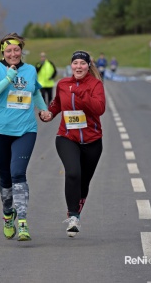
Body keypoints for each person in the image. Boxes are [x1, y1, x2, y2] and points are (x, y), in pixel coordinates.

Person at [0, 32, 51, 241]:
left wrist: (42, 110)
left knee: (18, 173)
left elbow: (36, 91)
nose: (13, 53)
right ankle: (7, 214)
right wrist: (9, 77)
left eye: (16, 49)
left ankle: (22, 221)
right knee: (5, 177)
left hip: (25, 130)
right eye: (9, 50)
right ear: (3, 51)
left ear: (22, 50)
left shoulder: (30, 70)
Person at [41, 50, 105, 237]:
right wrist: (49, 114)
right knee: (73, 173)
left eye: (82, 63)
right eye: (75, 63)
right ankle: (73, 217)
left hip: (92, 141)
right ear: (71, 66)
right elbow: (57, 104)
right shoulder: (62, 84)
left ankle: (75, 210)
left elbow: (99, 108)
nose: (78, 66)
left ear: (88, 66)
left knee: (84, 182)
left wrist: (81, 95)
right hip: (67, 137)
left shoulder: (95, 85)